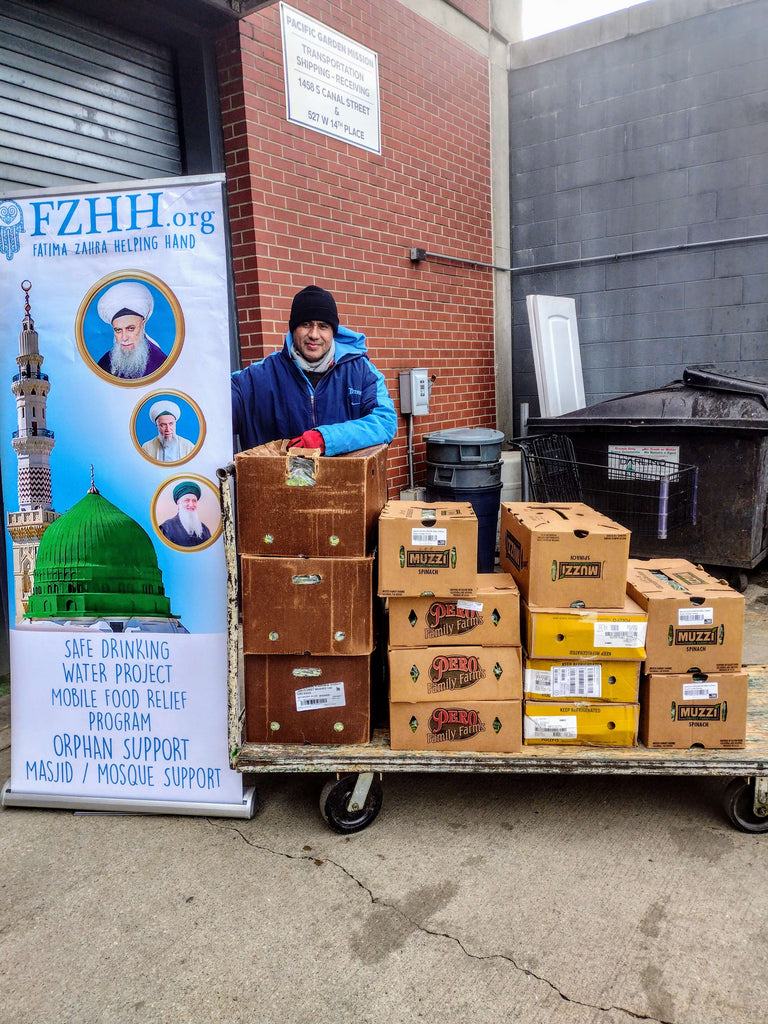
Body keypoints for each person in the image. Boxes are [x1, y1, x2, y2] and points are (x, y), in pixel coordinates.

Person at [231, 285, 397, 454]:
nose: (314, 335)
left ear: (333, 331)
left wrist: (326, 439)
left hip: (347, 480)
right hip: (277, 480)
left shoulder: (361, 372)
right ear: (293, 328)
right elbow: (214, 410)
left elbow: (385, 422)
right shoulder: (256, 378)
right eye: (306, 324)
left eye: (323, 326)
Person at [96, 281, 168, 379]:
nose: (124, 338)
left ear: (143, 325)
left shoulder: (160, 363)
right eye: (118, 330)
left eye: (130, 329)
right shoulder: (105, 363)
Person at [159, 481, 212, 547]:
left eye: (194, 501)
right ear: (178, 502)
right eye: (186, 500)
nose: (191, 504)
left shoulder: (204, 529)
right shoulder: (167, 528)